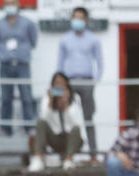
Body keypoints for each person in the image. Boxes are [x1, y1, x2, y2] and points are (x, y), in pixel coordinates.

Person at [57, 6, 104, 158]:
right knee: (64, 116)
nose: (77, 21)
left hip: (87, 81)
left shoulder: (93, 39)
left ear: (86, 20)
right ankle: (65, 154)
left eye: (80, 18)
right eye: (74, 18)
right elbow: (60, 63)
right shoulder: (64, 39)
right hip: (68, 82)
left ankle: (93, 154)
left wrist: (96, 80)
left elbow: (100, 62)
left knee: (88, 118)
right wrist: (59, 83)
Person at [0, 0, 38, 137]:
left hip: (22, 65)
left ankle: (29, 127)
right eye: (8, 3)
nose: (10, 6)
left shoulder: (28, 23)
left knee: (26, 96)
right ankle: (5, 129)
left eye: (13, 3)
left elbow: (33, 41)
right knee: (6, 98)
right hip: (5, 65)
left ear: (18, 5)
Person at [30, 72, 84, 171]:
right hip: (54, 138)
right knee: (40, 122)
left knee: (76, 129)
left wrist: (66, 105)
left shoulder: (75, 98)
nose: (59, 86)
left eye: (61, 83)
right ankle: (37, 159)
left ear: (67, 85)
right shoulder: (47, 98)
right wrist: (50, 102)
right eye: (56, 83)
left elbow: (76, 124)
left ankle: (68, 161)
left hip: (70, 139)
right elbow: (43, 119)